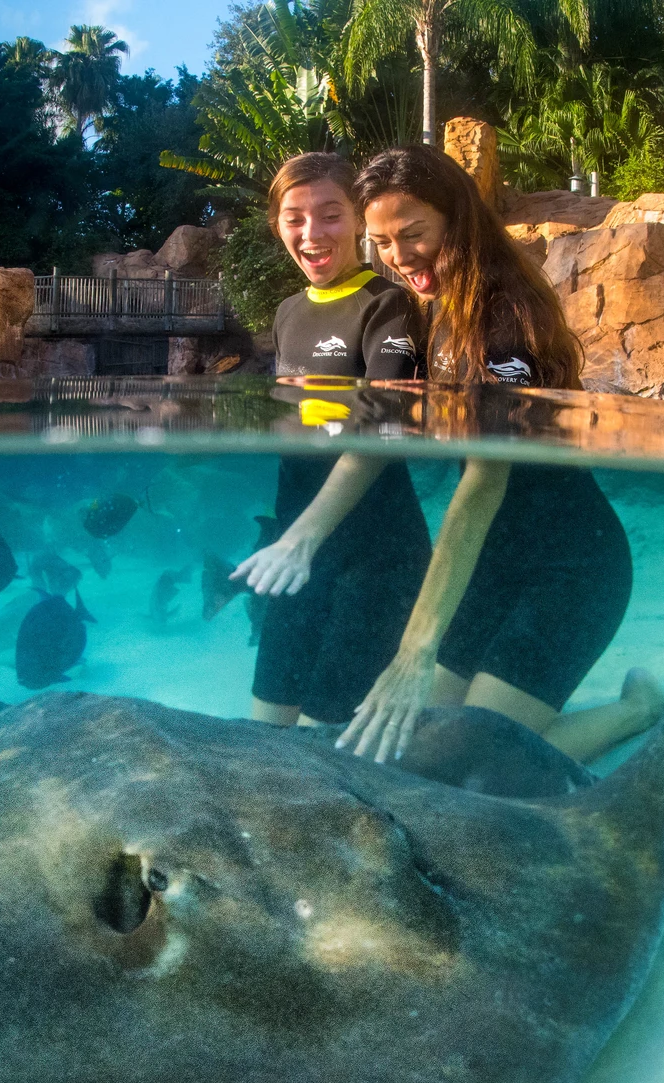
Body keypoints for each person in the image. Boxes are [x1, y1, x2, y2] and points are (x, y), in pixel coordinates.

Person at [308, 144, 664, 764]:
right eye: (382, 240)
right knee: (414, 749)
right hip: (493, 568)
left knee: (473, 759)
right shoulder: (435, 309)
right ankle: (526, 699)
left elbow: (482, 486)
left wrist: (415, 650)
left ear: (456, 219)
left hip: (571, 571)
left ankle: (639, 708)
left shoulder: (502, 316)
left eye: (415, 234)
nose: (400, 257)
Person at [231, 153, 431, 727]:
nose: (311, 234)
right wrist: (292, 544)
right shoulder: (287, 312)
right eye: (294, 218)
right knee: (262, 737)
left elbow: (381, 431)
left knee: (326, 754)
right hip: (297, 560)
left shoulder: (387, 304)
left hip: (374, 563)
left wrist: (301, 540)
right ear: (277, 226)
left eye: (330, 215)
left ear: (359, 221)